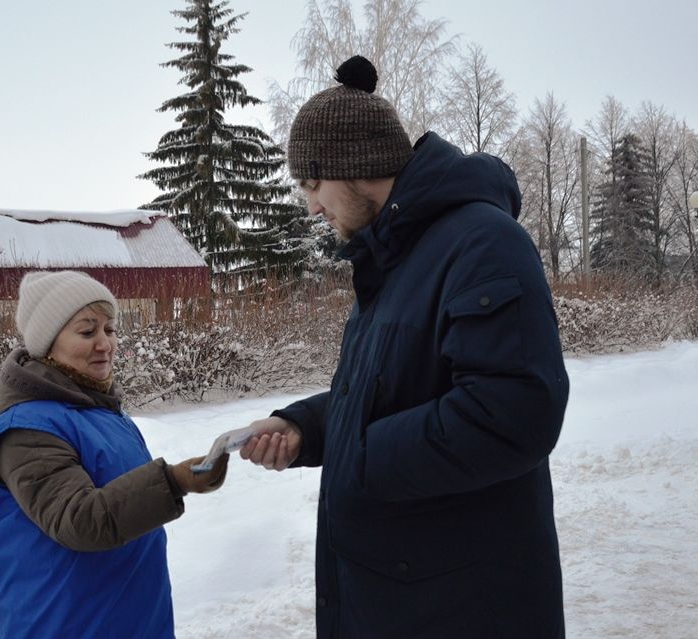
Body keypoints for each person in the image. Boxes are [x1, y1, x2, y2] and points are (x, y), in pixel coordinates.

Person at [240, 56, 569, 638]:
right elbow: (390, 389)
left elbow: (513, 414)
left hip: (460, 604)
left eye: (313, 184)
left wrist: (358, 457)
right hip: (396, 592)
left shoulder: (482, 244)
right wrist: (305, 429)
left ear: (354, 167)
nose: (311, 206)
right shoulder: (393, 256)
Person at [0, 270, 228, 638]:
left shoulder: (100, 412)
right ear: (48, 344)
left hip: (129, 616)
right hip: (65, 623)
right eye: (87, 331)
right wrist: (174, 480)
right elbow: (78, 519)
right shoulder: (26, 429)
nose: (105, 343)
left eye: (110, 329)